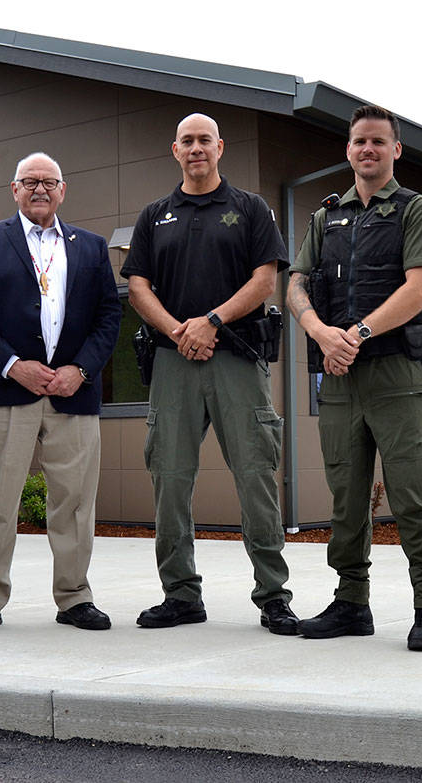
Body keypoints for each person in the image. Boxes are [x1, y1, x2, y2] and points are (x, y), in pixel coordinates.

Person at [286, 105, 422, 651]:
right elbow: (295, 285)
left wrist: (353, 334)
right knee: (345, 495)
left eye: (379, 142)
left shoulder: (416, 210)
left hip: (396, 375)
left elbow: (420, 288)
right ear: (348, 149)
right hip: (338, 379)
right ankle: (351, 603)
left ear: (396, 150)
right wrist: (319, 331)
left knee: (413, 494)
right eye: (360, 141)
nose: (368, 150)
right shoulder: (326, 217)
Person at [120, 113, 297, 635]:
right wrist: (180, 331)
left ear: (220, 147)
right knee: (170, 481)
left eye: (205, 140)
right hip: (174, 363)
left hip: (237, 359)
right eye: (187, 141)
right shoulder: (155, 216)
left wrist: (212, 321)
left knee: (256, 478)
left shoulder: (250, 209)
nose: (196, 149)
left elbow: (266, 281)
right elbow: (138, 288)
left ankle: (273, 597)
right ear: (174, 151)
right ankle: (181, 595)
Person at [0, 152, 122, 633]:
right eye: (30, 181)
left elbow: (109, 317)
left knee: (74, 502)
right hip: (7, 391)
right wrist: (12, 365)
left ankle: (74, 598)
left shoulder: (89, 246)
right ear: (14, 189)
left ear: (63, 190)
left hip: (74, 393)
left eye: (49, 181)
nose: (40, 189)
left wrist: (82, 370)